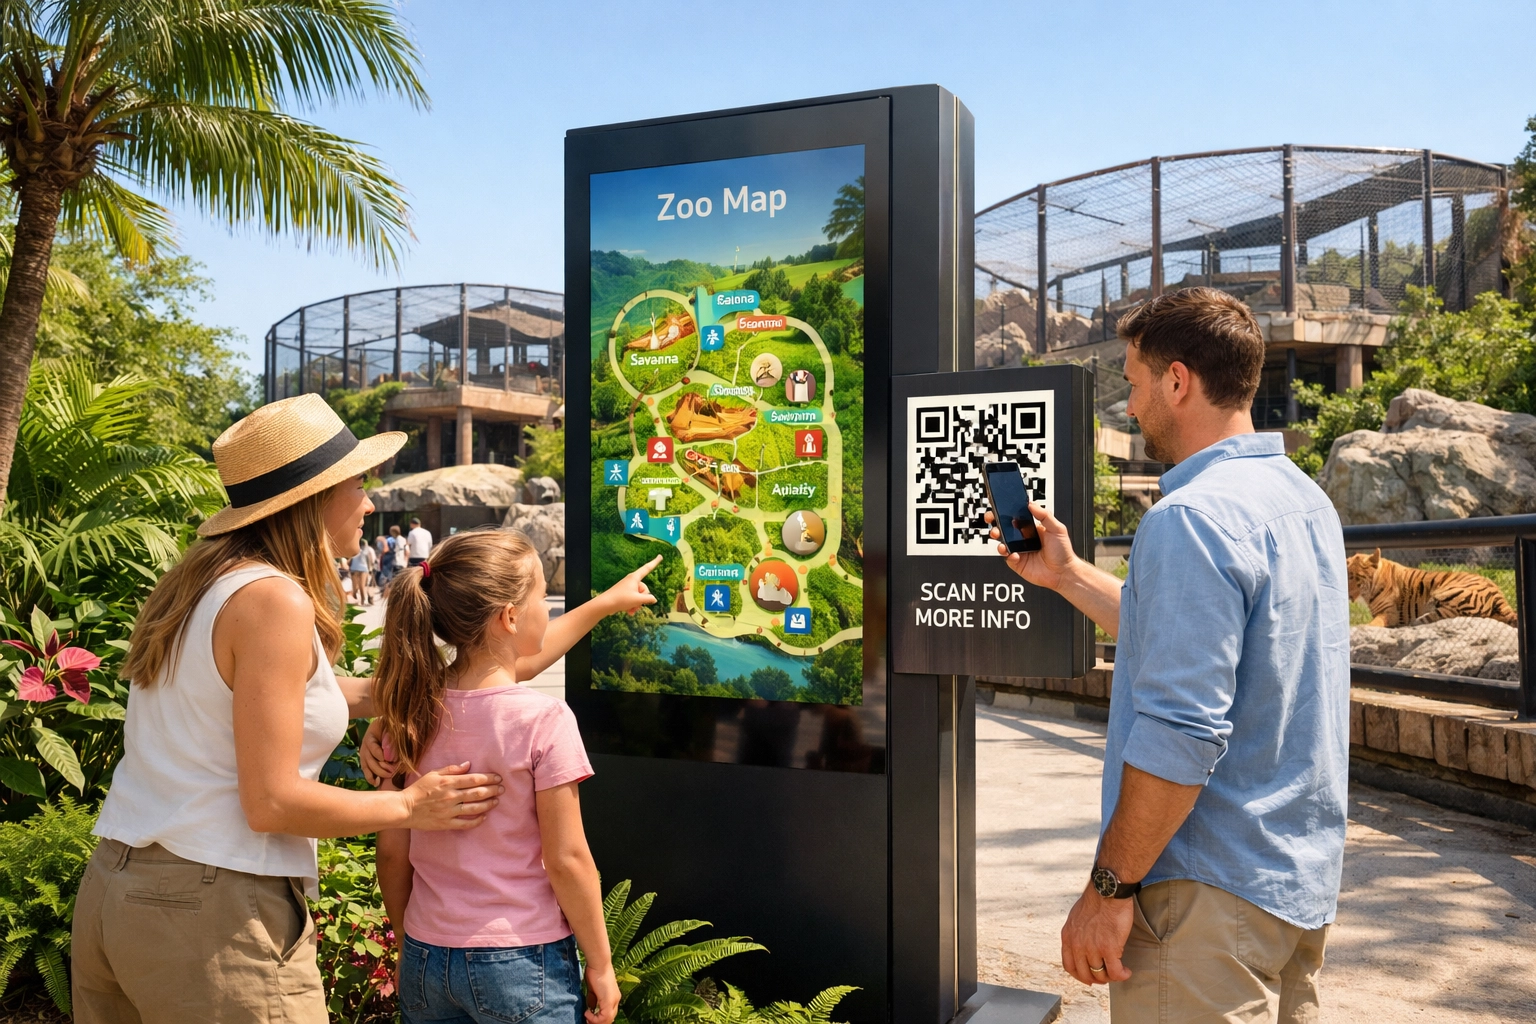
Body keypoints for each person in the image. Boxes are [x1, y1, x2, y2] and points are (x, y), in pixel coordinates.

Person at [72, 395, 507, 1024]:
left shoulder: (208, 583)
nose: (368, 501)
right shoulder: (275, 600)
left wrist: (461, 679)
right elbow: (271, 803)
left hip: (119, 893)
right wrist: (414, 806)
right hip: (213, 913)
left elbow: (312, 698)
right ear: (313, 498)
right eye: (357, 483)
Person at [988, 288, 1349, 1022]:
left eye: (1133, 379)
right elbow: (1209, 647)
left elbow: (1181, 732)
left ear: (1177, 381)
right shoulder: (1303, 501)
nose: (1129, 401)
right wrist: (1065, 574)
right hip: (1294, 892)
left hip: (1202, 909)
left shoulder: (1191, 519)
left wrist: (1108, 891)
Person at [362, 534, 664, 1024]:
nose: (547, 606)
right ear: (509, 617)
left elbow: (392, 853)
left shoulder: (408, 714)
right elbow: (566, 859)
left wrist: (410, 943)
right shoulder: (544, 720)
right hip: (521, 958)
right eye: (543, 596)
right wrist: (603, 965)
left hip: (426, 955)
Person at [350, 541, 373, 606]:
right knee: (362, 586)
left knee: (354, 586)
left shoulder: (353, 550)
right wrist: (370, 570)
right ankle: (362, 601)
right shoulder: (365, 550)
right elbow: (369, 560)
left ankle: (355, 601)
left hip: (354, 568)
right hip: (363, 568)